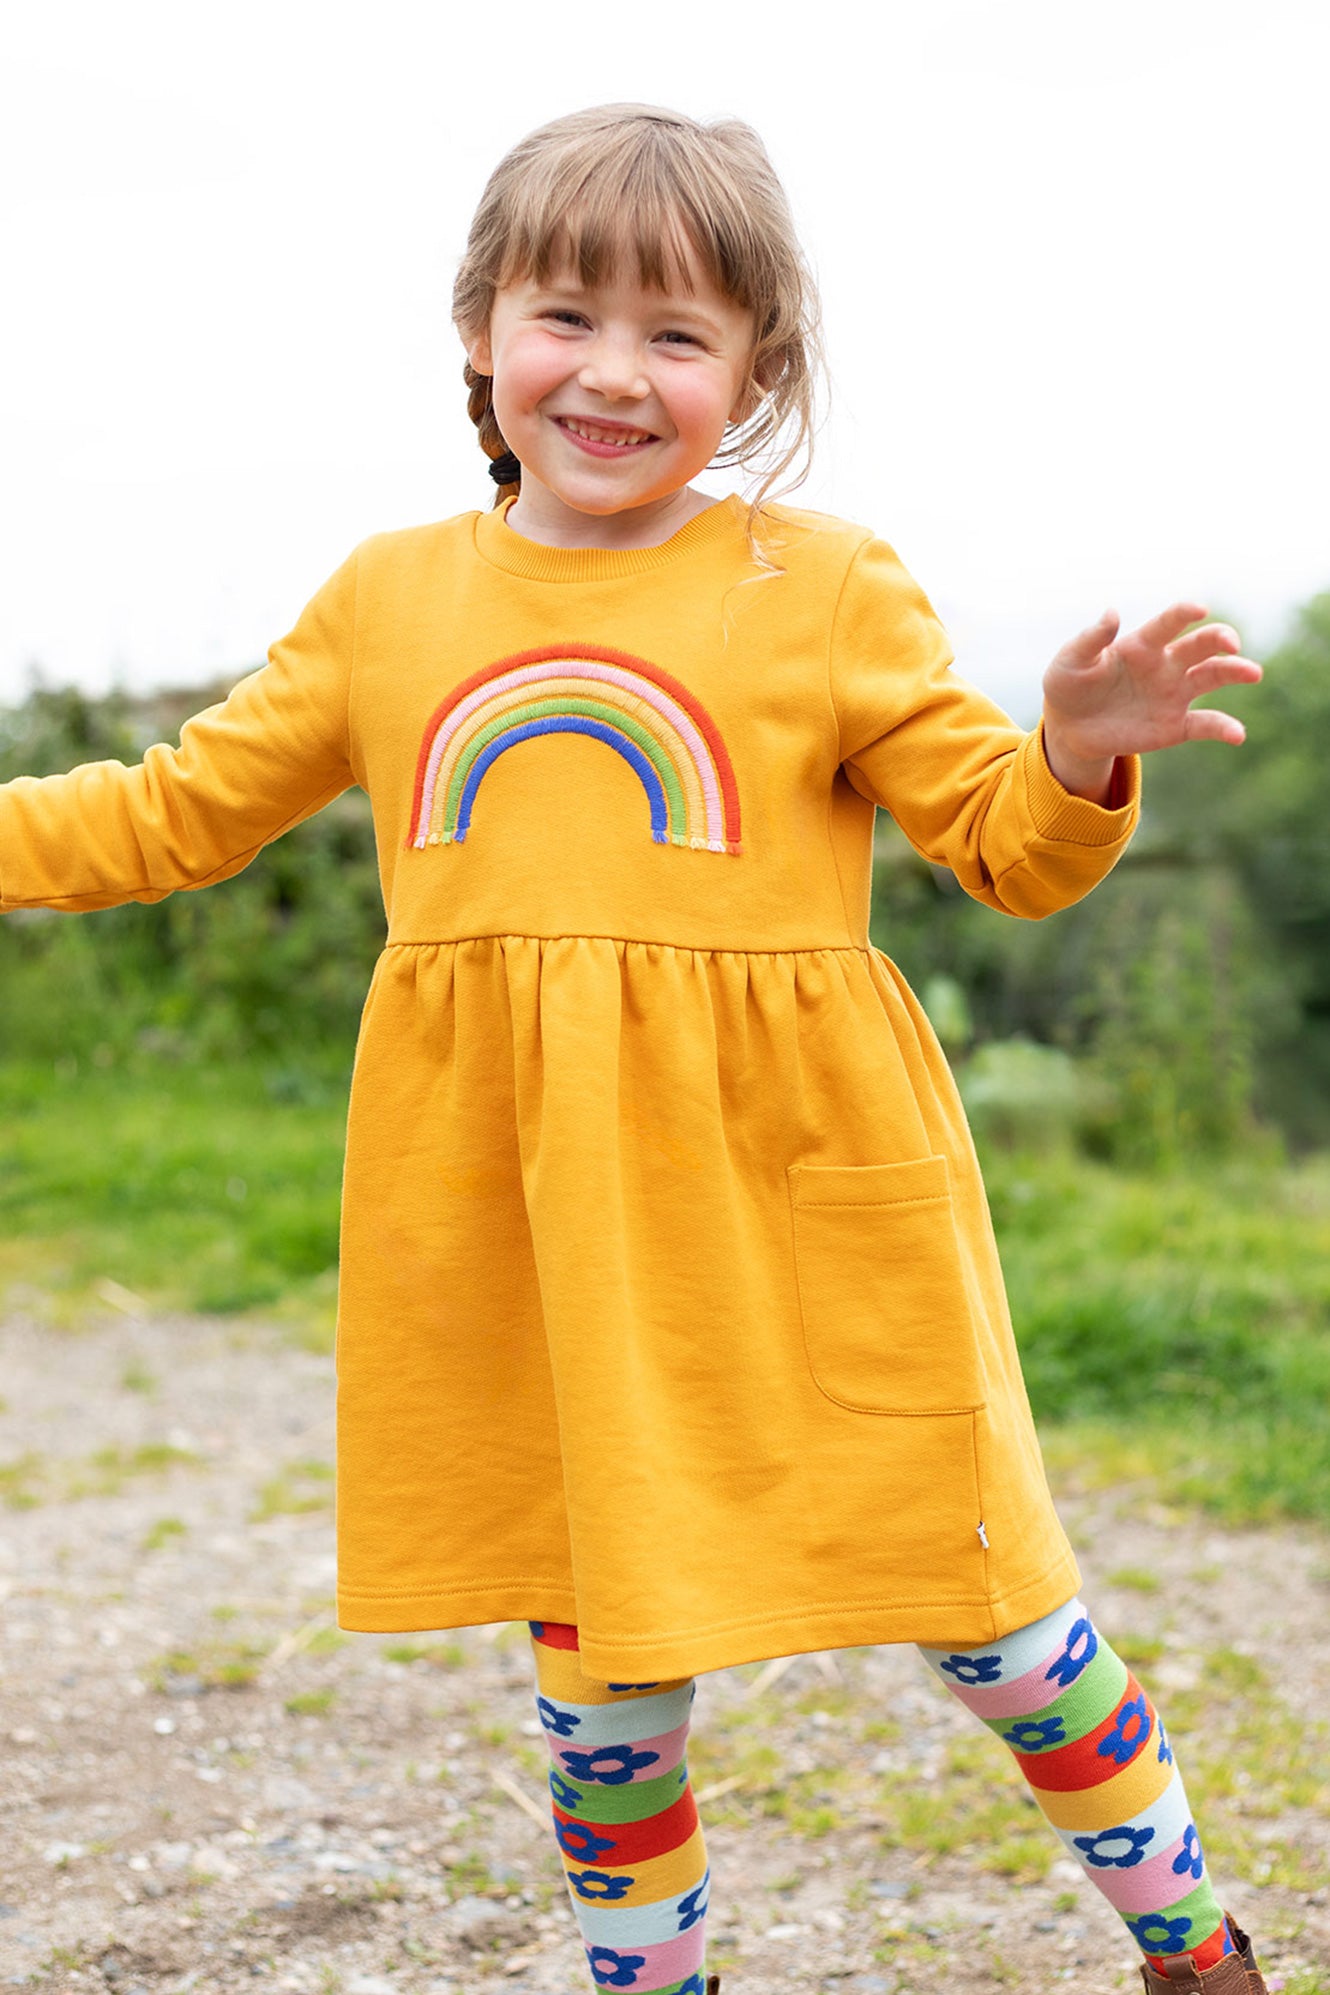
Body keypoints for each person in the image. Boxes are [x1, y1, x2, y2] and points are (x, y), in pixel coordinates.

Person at [0, 103, 1269, 1995]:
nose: (611, 373)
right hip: (539, 1217)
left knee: (990, 1600)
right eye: (565, 316)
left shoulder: (822, 584)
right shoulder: (388, 600)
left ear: (755, 376)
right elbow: (173, 813)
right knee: (605, 1661)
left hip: (808, 1198)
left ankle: (1194, 1951)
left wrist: (1075, 745)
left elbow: (1004, 851)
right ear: (479, 334)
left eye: (677, 336)